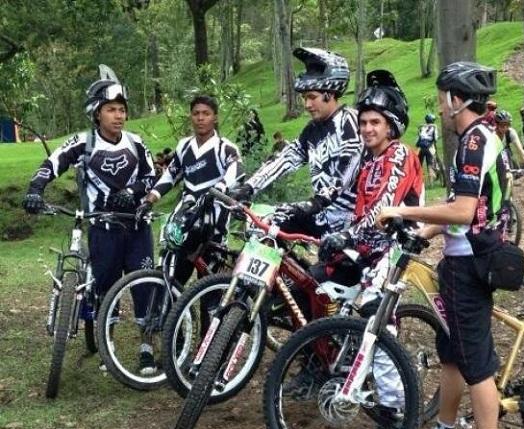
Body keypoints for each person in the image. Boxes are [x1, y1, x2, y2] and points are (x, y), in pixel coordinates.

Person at [376, 61, 506, 429]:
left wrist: (403, 209)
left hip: (471, 265)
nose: (439, 103)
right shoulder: (475, 136)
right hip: (460, 259)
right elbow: (459, 208)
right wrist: (425, 231)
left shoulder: (472, 142)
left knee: (477, 365)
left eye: (441, 95)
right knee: (451, 355)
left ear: (456, 99)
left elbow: (464, 211)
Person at [22, 65, 157, 374]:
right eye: (111, 109)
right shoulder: (82, 143)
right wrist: (34, 190)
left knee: (145, 288)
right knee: (105, 289)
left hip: (137, 228)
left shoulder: (136, 143)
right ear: (97, 113)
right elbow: (51, 164)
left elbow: (154, 177)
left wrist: (133, 190)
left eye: (122, 110)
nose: (119, 115)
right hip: (103, 230)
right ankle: (106, 350)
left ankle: (147, 348)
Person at [318, 69, 424, 429]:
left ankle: (394, 415)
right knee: (323, 286)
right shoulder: (367, 157)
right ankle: (327, 367)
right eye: (362, 122)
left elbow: (385, 206)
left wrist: (346, 236)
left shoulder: (400, 155)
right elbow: (340, 193)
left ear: (392, 126)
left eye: (374, 122)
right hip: (367, 246)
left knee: (375, 323)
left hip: (395, 249)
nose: (366, 128)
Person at [230, 47, 363, 238]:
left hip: (349, 221)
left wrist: (315, 203)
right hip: (320, 214)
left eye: (312, 97)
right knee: (262, 227)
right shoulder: (312, 129)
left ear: (330, 94)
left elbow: (348, 169)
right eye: (304, 98)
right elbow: (285, 159)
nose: (307, 105)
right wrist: (249, 187)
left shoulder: (351, 122)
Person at [137, 95, 242, 283]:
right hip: (186, 222)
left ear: (215, 118)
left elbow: (236, 171)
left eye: (206, 114)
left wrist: (220, 187)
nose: (200, 118)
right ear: (191, 117)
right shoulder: (184, 146)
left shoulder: (225, 148)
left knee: (210, 288)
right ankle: (175, 310)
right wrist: (149, 200)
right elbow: (171, 176)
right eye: (196, 114)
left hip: (214, 225)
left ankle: (209, 311)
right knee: (174, 280)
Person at [416, 113, 440, 182]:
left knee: (419, 164)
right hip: (429, 147)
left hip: (421, 147)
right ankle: (431, 181)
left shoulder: (422, 127)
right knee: (430, 163)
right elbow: (435, 138)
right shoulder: (434, 127)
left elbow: (418, 139)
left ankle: (419, 180)